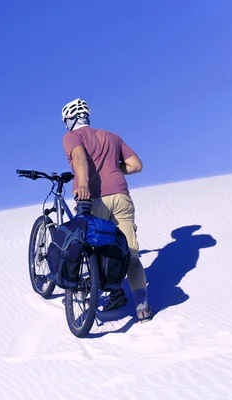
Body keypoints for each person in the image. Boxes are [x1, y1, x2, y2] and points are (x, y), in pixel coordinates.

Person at [60, 98, 152, 322]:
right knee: (130, 251)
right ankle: (142, 307)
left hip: (94, 199)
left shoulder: (72, 137)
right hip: (121, 197)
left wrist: (82, 185)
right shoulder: (112, 136)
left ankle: (106, 291)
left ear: (69, 120)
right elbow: (135, 165)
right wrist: (113, 169)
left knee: (93, 246)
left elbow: (80, 159)